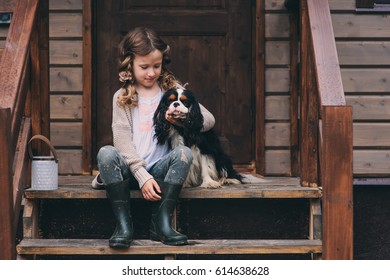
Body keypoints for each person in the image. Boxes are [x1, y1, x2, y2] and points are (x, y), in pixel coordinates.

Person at [91, 27, 215, 248]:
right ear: (129, 64)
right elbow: (122, 140)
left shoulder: (170, 90)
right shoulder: (122, 96)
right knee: (107, 153)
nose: (151, 73)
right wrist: (141, 176)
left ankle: (161, 223)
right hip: (131, 171)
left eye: (156, 66)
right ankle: (123, 225)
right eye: (144, 66)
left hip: (160, 169)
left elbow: (208, 120)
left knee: (184, 153)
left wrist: (183, 119)